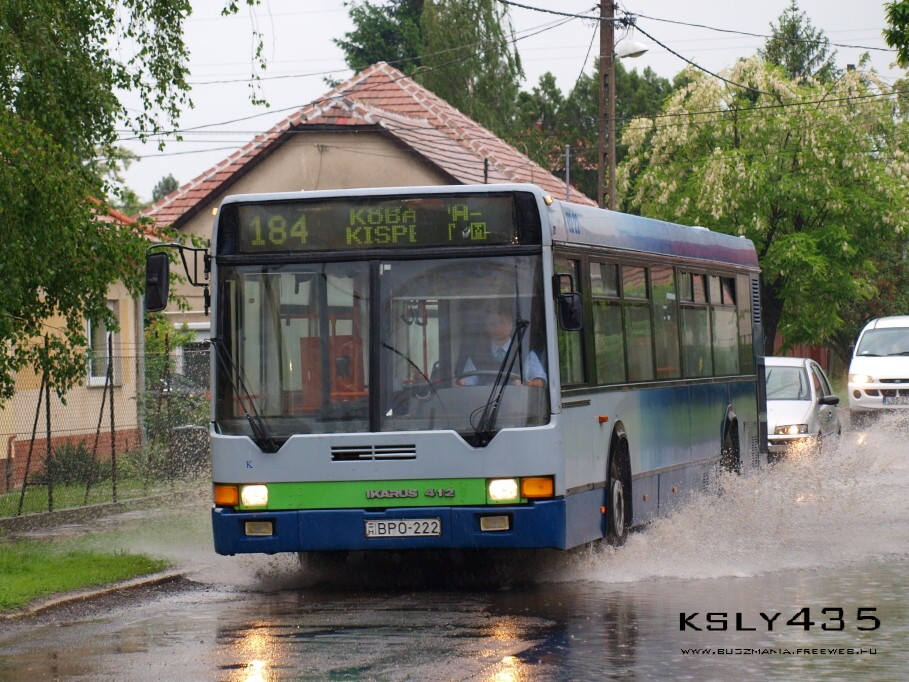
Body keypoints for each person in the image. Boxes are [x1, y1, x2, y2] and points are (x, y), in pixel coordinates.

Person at [456, 309, 546, 386]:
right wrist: (459, 383)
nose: (497, 328)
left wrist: (526, 384)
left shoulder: (525, 353)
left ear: (511, 325)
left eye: (501, 322)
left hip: (517, 400)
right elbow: (465, 383)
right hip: (483, 401)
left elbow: (540, 382)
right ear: (487, 327)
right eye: (492, 324)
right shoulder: (476, 355)